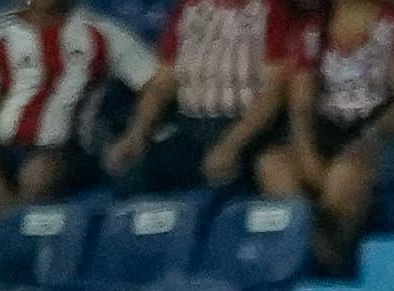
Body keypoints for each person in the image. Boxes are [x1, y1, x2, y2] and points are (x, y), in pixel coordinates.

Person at [260, 0, 394, 275]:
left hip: (379, 128)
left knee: (345, 172)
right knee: (273, 165)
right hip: (325, 128)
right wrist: (306, 152)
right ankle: (309, 250)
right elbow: (301, 105)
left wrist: (371, 138)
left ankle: (331, 262)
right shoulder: (313, 28)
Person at [0, 0, 157, 213]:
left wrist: (135, 132)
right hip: (2, 149)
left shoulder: (99, 31)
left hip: (66, 151)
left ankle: (20, 234)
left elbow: (155, 83)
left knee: (38, 174)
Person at [103, 0, 297, 195]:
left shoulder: (271, 9)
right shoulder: (189, 9)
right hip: (191, 128)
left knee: (255, 173)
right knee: (131, 175)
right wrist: (136, 134)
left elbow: (272, 93)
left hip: (245, 128)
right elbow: (163, 81)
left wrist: (231, 145)